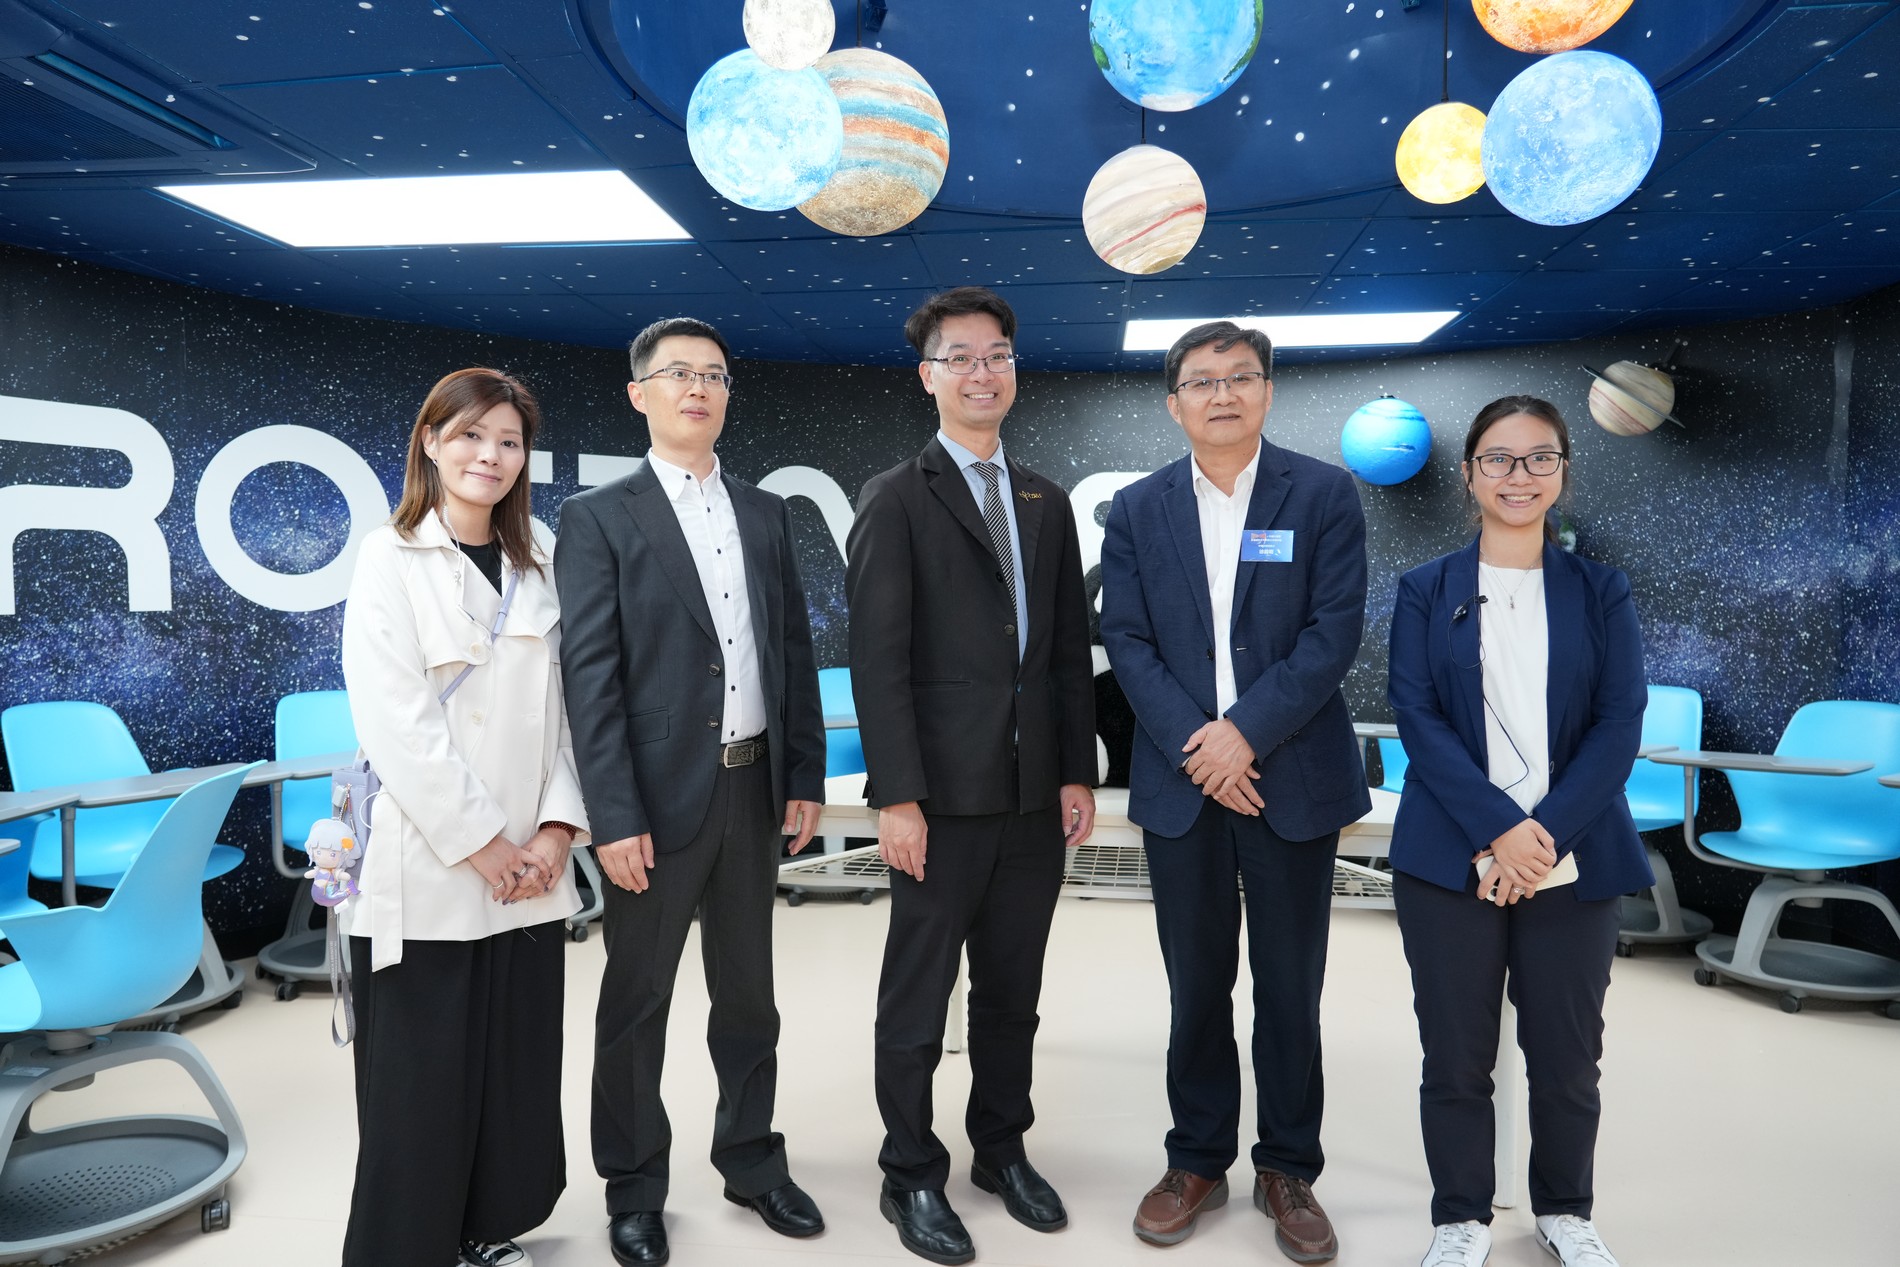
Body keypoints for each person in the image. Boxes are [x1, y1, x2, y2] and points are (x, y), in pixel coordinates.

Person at [555, 317, 829, 1267]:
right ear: (641, 394)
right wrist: (612, 814)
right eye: (679, 373)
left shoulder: (766, 511)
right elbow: (589, 677)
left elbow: (791, 649)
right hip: (652, 803)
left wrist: (803, 772)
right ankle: (634, 1187)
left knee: (749, 997)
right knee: (638, 1002)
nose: (699, 388)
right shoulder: (598, 516)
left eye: (714, 374)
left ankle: (751, 1160)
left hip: (754, 789)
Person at [1099, 321, 1368, 1264]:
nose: (1222, 394)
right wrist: (1200, 744)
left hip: (1290, 776)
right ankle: (1197, 1159)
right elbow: (1126, 639)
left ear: (1267, 391)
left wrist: (1243, 733)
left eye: (1241, 377)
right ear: (1174, 402)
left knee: (1291, 986)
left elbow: (1333, 632)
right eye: (1202, 381)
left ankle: (1288, 1167)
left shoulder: (1323, 493)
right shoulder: (1138, 508)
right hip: (1183, 782)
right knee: (1196, 985)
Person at [846, 285, 1097, 1266]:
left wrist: (1074, 770)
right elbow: (877, 661)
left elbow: (1066, 651)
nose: (982, 372)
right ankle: (909, 1168)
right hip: (938, 801)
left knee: (1011, 990)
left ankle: (1000, 1148)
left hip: (1033, 797)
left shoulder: (1045, 498)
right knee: (918, 997)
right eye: (961, 357)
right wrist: (897, 796)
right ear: (928, 376)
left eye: (997, 355)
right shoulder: (895, 495)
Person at [1386, 395, 1649, 1267]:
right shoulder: (1425, 589)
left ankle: (1565, 1210)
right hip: (1449, 855)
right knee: (1455, 1055)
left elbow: (1619, 723)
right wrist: (1501, 830)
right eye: (1498, 458)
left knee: (1568, 1058)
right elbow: (1417, 716)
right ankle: (1460, 1216)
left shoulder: (1602, 590)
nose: (1519, 475)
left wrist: (1542, 838)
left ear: (1563, 471)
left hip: (1574, 856)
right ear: (1470, 474)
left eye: (1540, 458)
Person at [339, 366, 589, 1267]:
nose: (490, 455)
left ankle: (487, 1227)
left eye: (509, 441)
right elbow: (396, 721)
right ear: (431, 442)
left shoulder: (544, 556)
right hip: (435, 862)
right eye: (471, 435)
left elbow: (574, 709)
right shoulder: (388, 556)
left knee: (514, 1068)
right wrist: (486, 845)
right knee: (422, 1077)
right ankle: (410, 1247)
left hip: (532, 868)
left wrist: (556, 832)